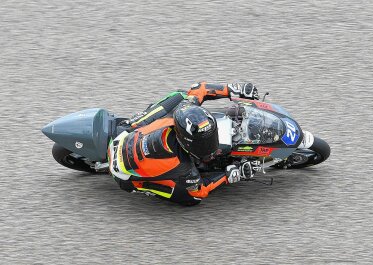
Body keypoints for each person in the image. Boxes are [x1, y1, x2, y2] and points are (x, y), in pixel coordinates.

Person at [108, 82, 260, 205]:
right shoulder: (183, 167)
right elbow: (200, 189)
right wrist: (230, 174)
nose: (209, 147)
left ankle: (133, 123)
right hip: (124, 176)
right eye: (203, 144)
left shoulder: (183, 109)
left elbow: (199, 88)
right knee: (192, 198)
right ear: (186, 142)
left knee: (181, 95)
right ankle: (142, 186)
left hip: (128, 135)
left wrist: (232, 90)